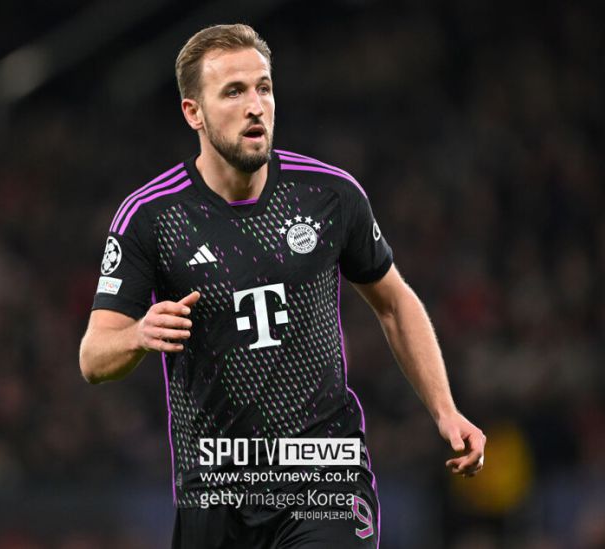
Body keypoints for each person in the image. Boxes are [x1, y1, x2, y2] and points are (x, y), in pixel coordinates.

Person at [79, 23, 485, 548]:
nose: (255, 106)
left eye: (263, 88)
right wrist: (137, 335)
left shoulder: (330, 195)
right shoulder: (151, 217)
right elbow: (94, 357)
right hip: (216, 486)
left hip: (325, 472)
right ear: (193, 112)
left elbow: (394, 303)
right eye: (233, 92)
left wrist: (445, 411)